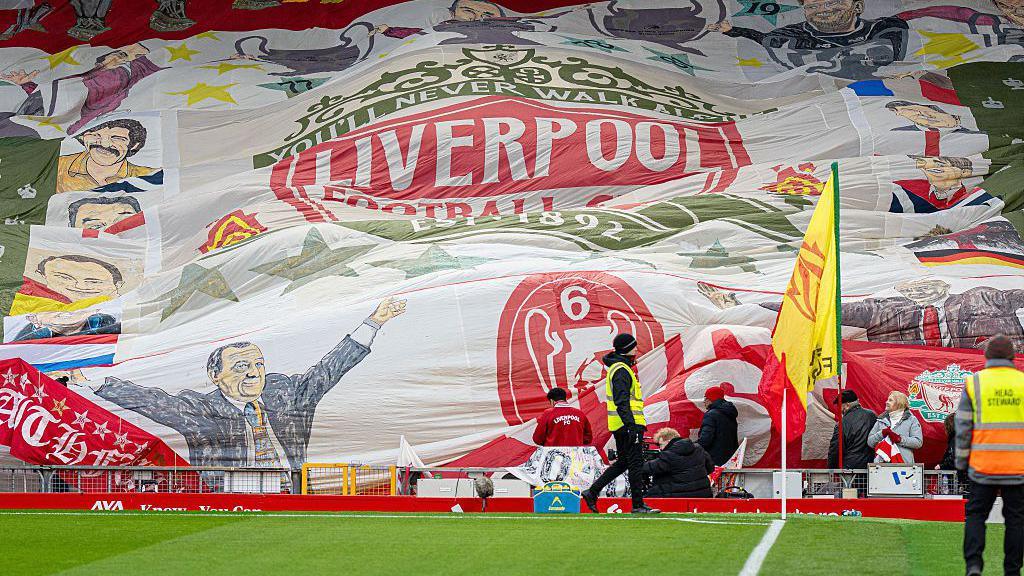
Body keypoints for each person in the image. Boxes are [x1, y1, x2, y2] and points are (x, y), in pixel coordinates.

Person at [95, 298, 406, 471]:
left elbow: (330, 368)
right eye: (241, 367)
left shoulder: (286, 393)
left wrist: (374, 322)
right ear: (215, 376)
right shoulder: (200, 409)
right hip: (225, 501)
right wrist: (95, 382)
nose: (254, 373)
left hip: (291, 495)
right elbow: (151, 400)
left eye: (258, 365)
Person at [957, 335, 1024, 576]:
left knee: (975, 515)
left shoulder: (974, 383)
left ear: (986, 356)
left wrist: (962, 462)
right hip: (1018, 467)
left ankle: (974, 566)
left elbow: (963, 427)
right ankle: (1012, 571)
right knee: (1016, 520)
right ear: (1012, 357)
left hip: (982, 465)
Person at [581, 333, 660, 514]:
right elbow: (621, 401)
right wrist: (631, 425)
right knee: (635, 463)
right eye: (633, 346)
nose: (636, 349)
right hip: (629, 424)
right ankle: (638, 505)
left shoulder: (618, 369)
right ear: (626, 349)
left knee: (624, 462)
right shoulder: (622, 370)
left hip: (622, 424)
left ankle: (592, 492)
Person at [57, 119, 157, 193]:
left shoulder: (151, 176)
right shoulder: (57, 167)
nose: (105, 144)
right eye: (95, 135)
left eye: (117, 138)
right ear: (83, 138)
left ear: (134, 145)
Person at [642, 427, 714, 499]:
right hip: (703, 493)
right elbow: (710, 468)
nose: (660, 448)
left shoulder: (669, 454)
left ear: (668, 441)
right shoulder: (698, 448)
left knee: (648, 496)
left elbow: (649, 468)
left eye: (660, 444)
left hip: (677, 495)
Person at [868, 391, 924, 463]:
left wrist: (899, 439)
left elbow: (918, 442)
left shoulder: (912, 420)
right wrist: (881, 434)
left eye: (890, 400)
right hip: (881, 467)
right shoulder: (881, 420)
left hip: (903, 466)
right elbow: (870, 442)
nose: (886, 402)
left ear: (899, 403)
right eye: (888, 400)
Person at [828, 390, 877, 469]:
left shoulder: (842, 423)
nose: (839, 409)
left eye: (840, 406)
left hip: (850, 468)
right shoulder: (872, 416)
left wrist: (831, 469)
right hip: (872, 466)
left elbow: (836, 449)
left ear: (847, 405)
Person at [697, 385, 739, 466]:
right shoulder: (730, 414)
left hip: (713, 462)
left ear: (711, 399)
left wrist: (690, 447)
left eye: (705, 398)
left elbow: (705, 440)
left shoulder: (711, 415)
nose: (704, 401)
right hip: (729, 461)